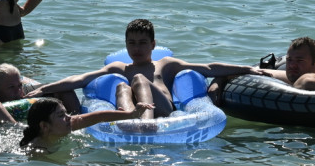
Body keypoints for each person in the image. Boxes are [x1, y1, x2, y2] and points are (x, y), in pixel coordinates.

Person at [26, 18, 265, 120]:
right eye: (131, 43)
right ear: (126, 44)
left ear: (153, 45)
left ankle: (145, 124)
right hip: (132, 110)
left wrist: (247, 68)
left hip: (161, 110)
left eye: (142, 43)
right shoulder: (120, 67)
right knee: (121, 84)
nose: (137, 49)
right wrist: (43, 88)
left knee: (139, 79)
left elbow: (209, 67)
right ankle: (130, 118)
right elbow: (79, 79)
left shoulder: (165, 65)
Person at [19, 97, 153, 153]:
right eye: (61, 115)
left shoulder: (64, 125)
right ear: (44, 126)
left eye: (66, 113)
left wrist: (131, 114)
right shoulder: (36, 151)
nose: (69, 117)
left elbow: (100, 117)